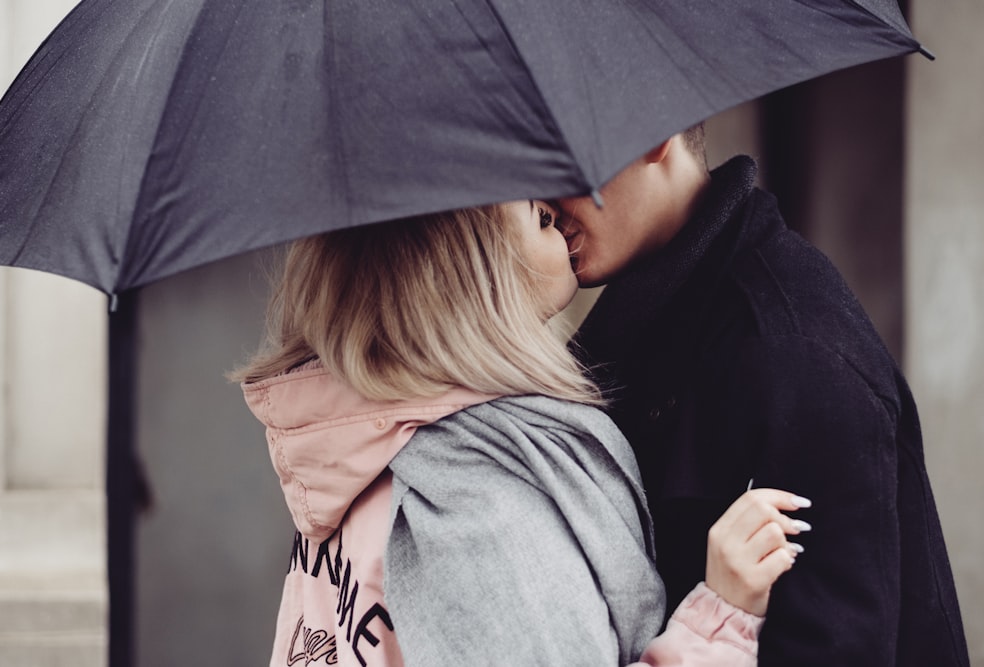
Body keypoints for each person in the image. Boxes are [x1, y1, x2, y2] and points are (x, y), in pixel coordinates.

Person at [230, 201, 811, 666]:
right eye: (534, 210)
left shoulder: (367, 455)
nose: (556, 205)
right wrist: (718, 624)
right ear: (466, 270)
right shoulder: (481, 506)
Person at [556, 128, 970, 666]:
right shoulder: (651, 322)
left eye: (553, 157)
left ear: (652, 132)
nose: (539, 200)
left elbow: (838, 648)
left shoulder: (789, 349)